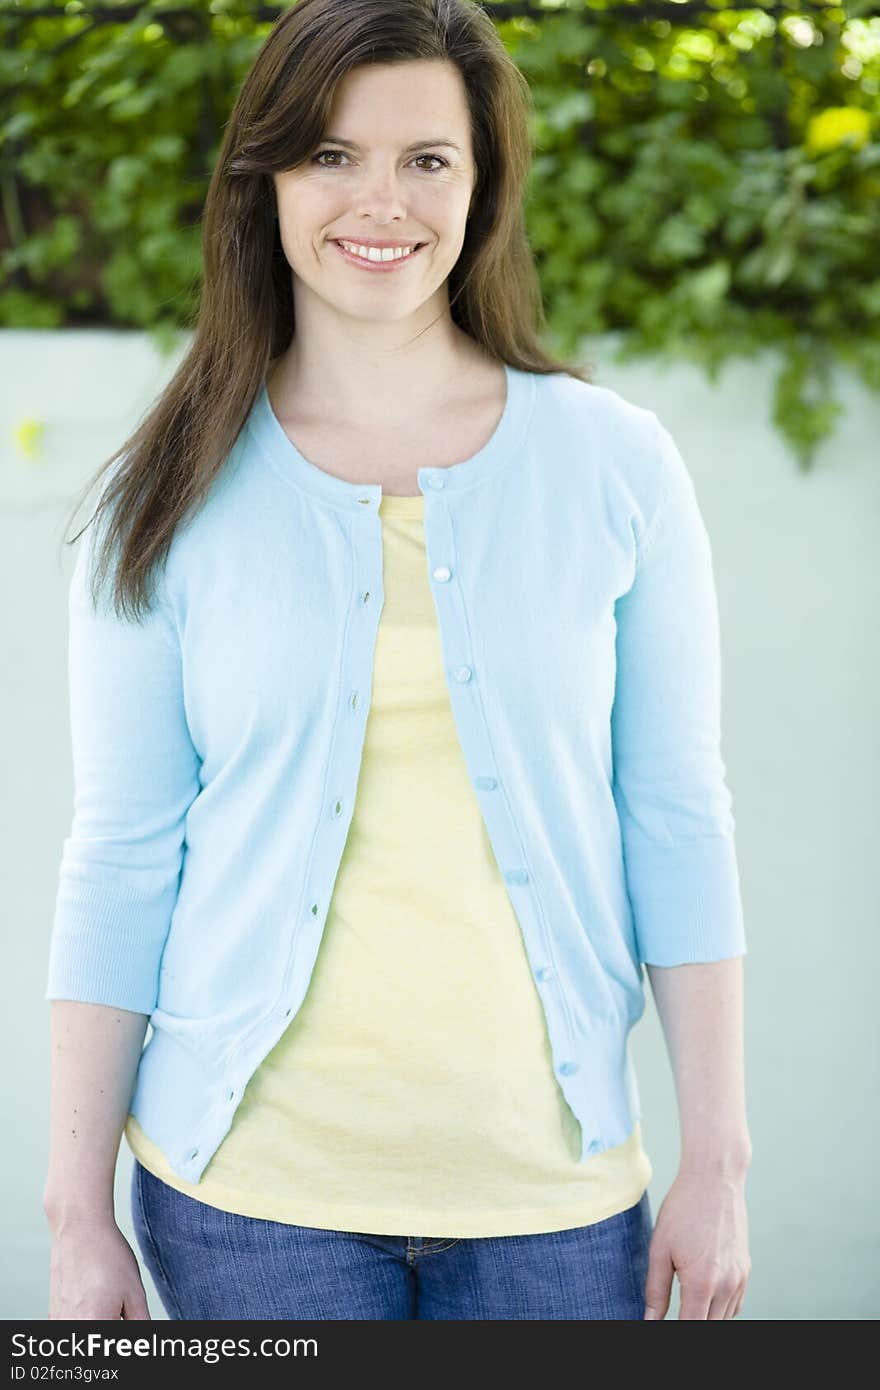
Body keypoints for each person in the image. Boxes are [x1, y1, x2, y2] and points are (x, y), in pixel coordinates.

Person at [43, 0, 752, 1321]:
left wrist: (720, 1158)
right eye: (330, 155)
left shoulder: (618, 467)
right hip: (247, 1204)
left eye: (428, 158)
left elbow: (676, 814)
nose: (382, 201)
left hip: (554, 1202)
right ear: (263, 180)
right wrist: (73, 1213)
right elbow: (124, 849)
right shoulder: (168, 489)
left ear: (482, 188)